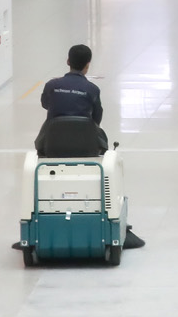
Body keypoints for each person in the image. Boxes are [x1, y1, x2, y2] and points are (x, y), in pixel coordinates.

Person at [37, 44, 144, 249]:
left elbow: (45, 104)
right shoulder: (92, 89)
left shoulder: (52, 85)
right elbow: (96, 119)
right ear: (88, 66)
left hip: (52, 144)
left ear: (67, 61)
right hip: (85, 146)